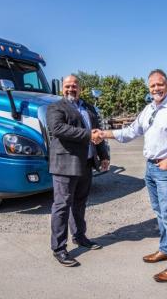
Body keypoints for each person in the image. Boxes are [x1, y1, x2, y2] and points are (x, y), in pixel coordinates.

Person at [101, 69, 167, 282]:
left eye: (160, 84)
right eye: (152, 86)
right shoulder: (149, 109)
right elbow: (131, 132)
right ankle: (165, 249)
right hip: (151, 168)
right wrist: (104, 134)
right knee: (160, 212)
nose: (156, 88)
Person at [47, 75, 110, 267]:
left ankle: (80, 236)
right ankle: (59, 248)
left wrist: (104, 155)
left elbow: (97, 132)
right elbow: (57, 128)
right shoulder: (56, 107)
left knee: (80, 203)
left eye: (74, 86)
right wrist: (88, 135)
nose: (71, 89)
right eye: (67, 86)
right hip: (65, 164)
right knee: (62, 205)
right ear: (62, 89)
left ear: (80, 88)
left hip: (87, 162)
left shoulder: (89, 107)